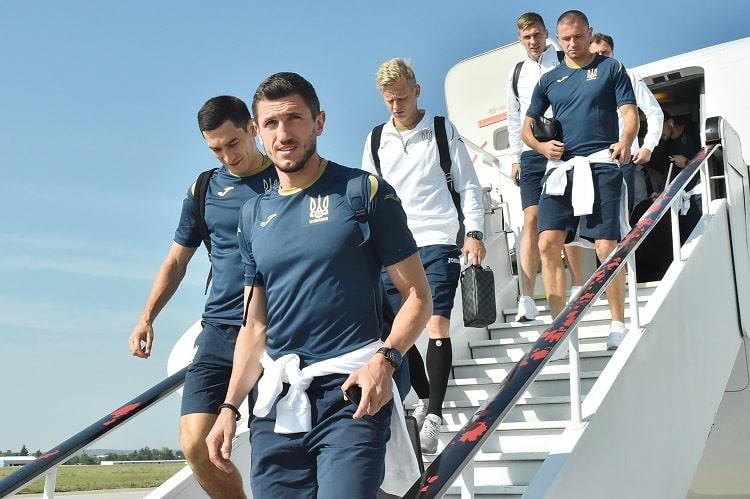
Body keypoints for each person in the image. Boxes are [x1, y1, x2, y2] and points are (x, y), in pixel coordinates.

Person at [205, 72, 432, 498]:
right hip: (277, 403)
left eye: (294, 118)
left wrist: (384, 362)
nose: (283, 134)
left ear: (319, 122)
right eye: (271, 123)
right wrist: (229, 407)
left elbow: (418, 297)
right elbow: (254, 327)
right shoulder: (253, 216)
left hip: (351, 392)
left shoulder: (363, 192)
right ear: (256, 131)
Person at [128, 96, 278, 498]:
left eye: (233, 143)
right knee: (196, 443)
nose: (228, 155)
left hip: (277, 330)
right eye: (216, 149)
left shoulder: (285, 177)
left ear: (252, 129)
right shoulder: (205, 188)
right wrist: (147, 317)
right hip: (218, 329)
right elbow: (177, 260)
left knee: (273, 448)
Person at [361, 58, 486, 454]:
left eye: (401, 98)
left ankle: (433, 414)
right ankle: (426, 395)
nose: (396, 106)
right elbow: (366, 199)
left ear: (416, 91)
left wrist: (474, 232)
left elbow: (469, 185)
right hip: (393, 247)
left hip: (438, 239)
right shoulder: (375, 139)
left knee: (437, 322)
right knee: (394, 329)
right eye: (388, 100)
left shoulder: (441, 130)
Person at [522, 10, 638, 351]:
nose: (572, 43)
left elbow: (629, 113)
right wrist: (542, 147)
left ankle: (617, 322)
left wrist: (626, 140)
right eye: (566, 39)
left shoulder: (611, 68)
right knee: (547, 243)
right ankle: (558, 331)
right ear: (557, 39)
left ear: (589, 32)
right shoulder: (549, 80)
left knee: (605, 246)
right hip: (562, 170)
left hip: (601, 164)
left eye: (577, 36)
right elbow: (527, 128)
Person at [506, 12, 586, 323]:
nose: (533, 41)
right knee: (531, 219)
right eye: (527, 37)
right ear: (520, 39)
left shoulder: (564, 59)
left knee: (566, 218)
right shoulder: (516, 73)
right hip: (531, 152)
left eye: (537, 35)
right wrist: (515, 157)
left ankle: (578, 283)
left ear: (545, 33)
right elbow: (514, 117)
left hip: (563, 148)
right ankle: (526, 297)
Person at [590, 33, 664, 212]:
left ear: (613, 53)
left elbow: (654, 112)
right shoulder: (581, 81)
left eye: (605, 52)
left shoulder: (628, 76)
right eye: (596, 54)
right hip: (590, 161)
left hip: (622, 159)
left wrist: (648, 147)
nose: (601, 57)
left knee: (623, 216)